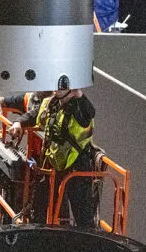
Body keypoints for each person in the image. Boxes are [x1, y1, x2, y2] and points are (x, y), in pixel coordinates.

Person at [8, 86, 99, 228]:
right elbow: (35, 115)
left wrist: (79, 95)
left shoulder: (79, 108)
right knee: (41, 206)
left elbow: (89, 113)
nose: (55, 88)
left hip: (77, 168)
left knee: (83, 216)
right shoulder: (52, 103)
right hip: (55, 165)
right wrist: (19, 122)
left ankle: (88, 245)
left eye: (61, 86)